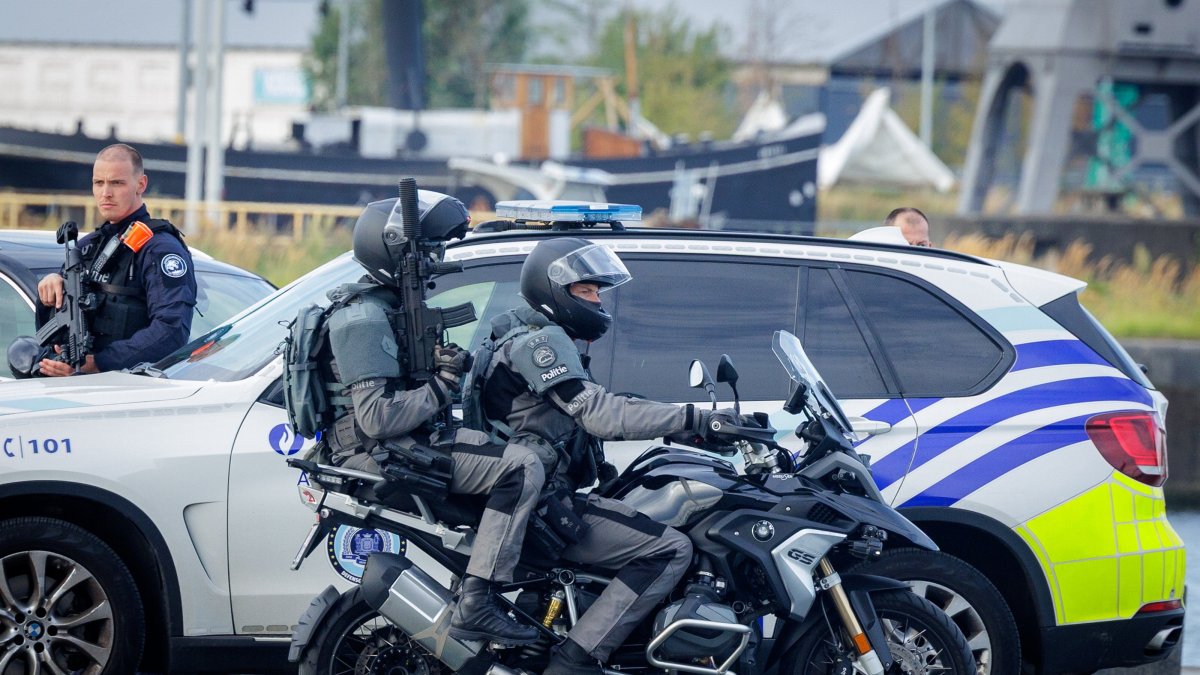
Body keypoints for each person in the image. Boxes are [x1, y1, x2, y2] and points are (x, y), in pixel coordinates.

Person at [472, 237, 740, 675]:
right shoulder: (538, 343)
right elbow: (599, 413)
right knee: (671, 549)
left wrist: (687, 433)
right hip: (541, 502)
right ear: (554, 291)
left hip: (540, 493)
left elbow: (594, 409)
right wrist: (695, 417)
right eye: (586, 291)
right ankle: (577, 657)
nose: (598, 300)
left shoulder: (534, 336)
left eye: (598, 290)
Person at [324, 193, 544, 647]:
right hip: (377, 451)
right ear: (395, 251)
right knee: (522, 467)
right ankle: (477, 603)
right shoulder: (363, 318)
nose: (435, 259)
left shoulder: (391, 308)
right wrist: (443, 384)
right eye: (426, 249)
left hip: (408, 438)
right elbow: (378, 417)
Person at [36, 143, 196, 376]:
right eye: (98, 183)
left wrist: (101, 363)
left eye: (117, 183)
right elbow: (54, 326)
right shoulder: (87, 246)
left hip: (130, 393)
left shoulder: (159, 249)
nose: (105, 193)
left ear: (141, 184)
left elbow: (171, 330)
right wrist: (49, 289)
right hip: (75, 386)